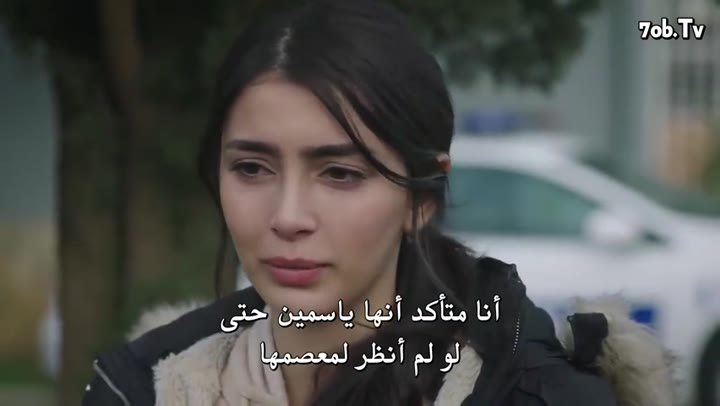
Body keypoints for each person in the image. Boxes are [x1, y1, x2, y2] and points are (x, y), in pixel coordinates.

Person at [82, 1, 676, 405]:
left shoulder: (528, 390)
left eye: (340, 173)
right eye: (252, 169)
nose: (288, 217)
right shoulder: (148, 387)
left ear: (421, 198)